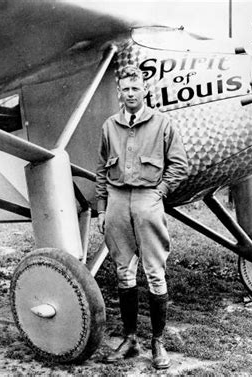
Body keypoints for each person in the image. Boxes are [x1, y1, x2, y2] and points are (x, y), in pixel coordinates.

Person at [96, 64, 189, 369]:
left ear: (145, 90)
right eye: (126, 89)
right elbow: (101, 170)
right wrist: (101, 207)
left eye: (136, 88)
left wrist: (159, 191)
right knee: (124, 272)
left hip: (149, 199)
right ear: (119, 93)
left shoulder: (163, 124)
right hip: (117, 202)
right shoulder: (109, 126)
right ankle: (130, 339)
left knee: (154, 273)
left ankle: (157, 342)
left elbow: (179, 165)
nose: (131, 93)